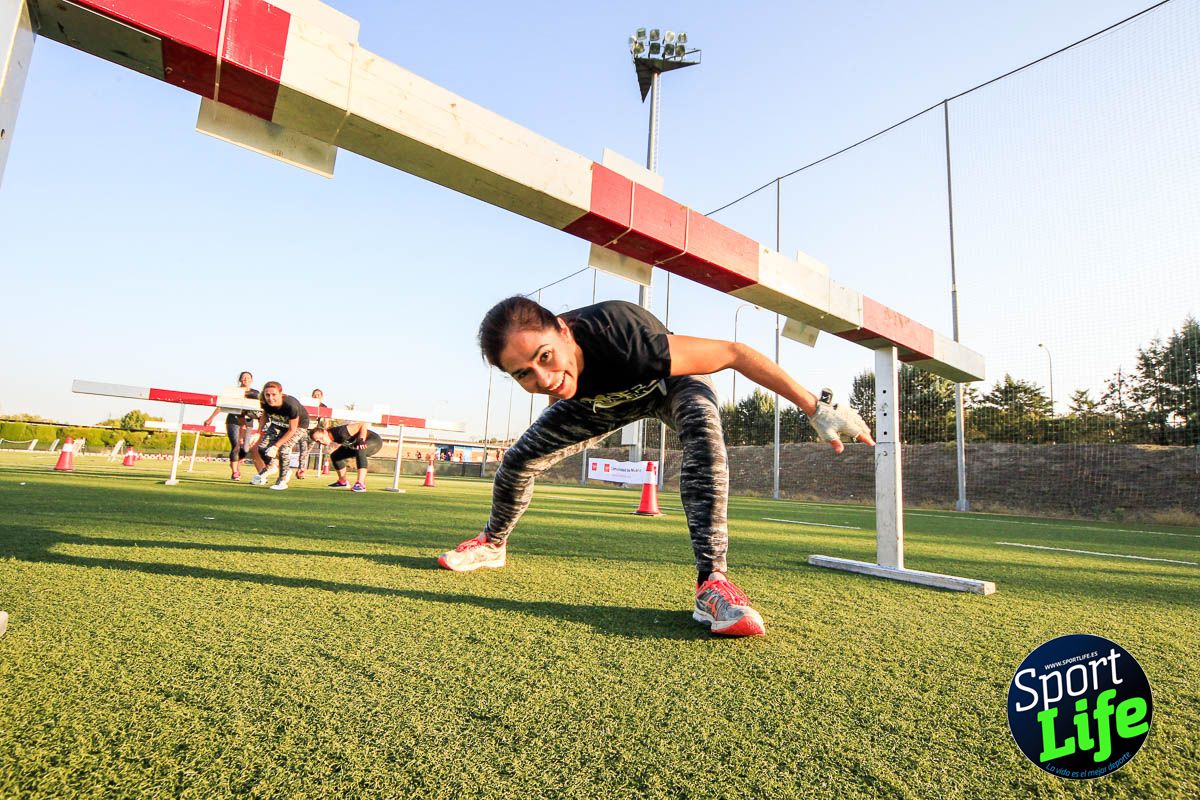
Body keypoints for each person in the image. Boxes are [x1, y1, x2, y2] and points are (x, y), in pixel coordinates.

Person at [437, 297, 874, 638]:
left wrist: (815, 408)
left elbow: (736, 353)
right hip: (598, 405)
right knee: (517, 461)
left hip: (668, 384)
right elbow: (555, 392)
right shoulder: (553, 374)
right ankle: (493, 545)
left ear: (564, 331)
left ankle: (713, 584)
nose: (543, 378)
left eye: (545, 357)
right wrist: (560, 416)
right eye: (523, 374)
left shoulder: (628, 338)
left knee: (704, 438)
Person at [251, 381, 311, 490]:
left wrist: (276, 446)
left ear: (280, 393)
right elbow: (265, 415)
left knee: (283, 450)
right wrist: (258, 433)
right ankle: (272, 467)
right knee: (262, 448)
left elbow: (292, 430)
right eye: (267, 395)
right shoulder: (264, 402)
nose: (270, 398)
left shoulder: (290, 405)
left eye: (274, 394)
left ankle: (282, 480)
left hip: (298, 426)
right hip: (278, 422)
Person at [204, 370, 258, 480]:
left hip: (248, 422)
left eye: (248, 377)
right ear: (240, 380)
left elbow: (259, 408)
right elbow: (222, 405)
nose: (245, 379)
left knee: (245, 448)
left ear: (251, 380)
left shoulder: (255, 393)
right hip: (233, 421)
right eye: (243, 377)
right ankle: (235, 472)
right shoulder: (234, 392)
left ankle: (236, 465)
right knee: (236, 445)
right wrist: (211, 418)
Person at [309, 422, 383, 493]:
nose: (321, 442)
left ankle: (360, 484)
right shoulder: (333, 437)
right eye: (318, 441)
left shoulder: (340, 431)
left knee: (360, 449)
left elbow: (362, 424)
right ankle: (343, 482)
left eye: (321, 438)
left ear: (325, 432)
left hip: (374, 441)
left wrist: (361, 440)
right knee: (335, 456)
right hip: (356, 445)